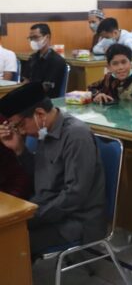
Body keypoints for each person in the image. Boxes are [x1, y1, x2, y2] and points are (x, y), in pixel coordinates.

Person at [0, 83, 106, 255]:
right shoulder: (44, 130)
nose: (21, 132)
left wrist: (32, 217)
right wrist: (19, 149)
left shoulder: (76, 136)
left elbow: (74, 195)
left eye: (19, 125)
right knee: (7, 231)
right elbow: (40, 178)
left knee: (9, 242)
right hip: (50, 211)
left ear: (40, 114)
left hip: (76, 220)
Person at [94, 18, 132, 83]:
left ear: (115, 32)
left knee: (112, 80)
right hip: (126, 71)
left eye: (107, 37)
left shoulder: (128, 38)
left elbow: (127, 53)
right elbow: (95, 49)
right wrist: (105, 50)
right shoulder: (112, 36)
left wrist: (111, 50)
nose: (105, 39)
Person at [22, 23, 67, 98]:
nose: (32, 41)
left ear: (47, 37)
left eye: (35, 37)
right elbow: (26, 80)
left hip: (46, 99)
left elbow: (46, 87)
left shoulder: (56, 61)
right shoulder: (33, 58)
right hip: (31, 96)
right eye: (31, 38)